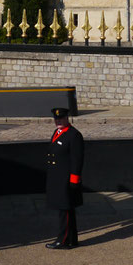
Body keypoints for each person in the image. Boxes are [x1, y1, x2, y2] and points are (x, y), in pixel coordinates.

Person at [45, 106, 84, 249]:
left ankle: (63, 239)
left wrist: (74, 179)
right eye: (56, 119)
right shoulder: (57, 132)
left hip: (66, 178)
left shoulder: (74, 135)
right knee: (65, 209)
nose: (58, 121)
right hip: (57, 177)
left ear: (67, 118)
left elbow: (77, 159)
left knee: (65, 210)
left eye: (61, 118)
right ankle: (72, 239)